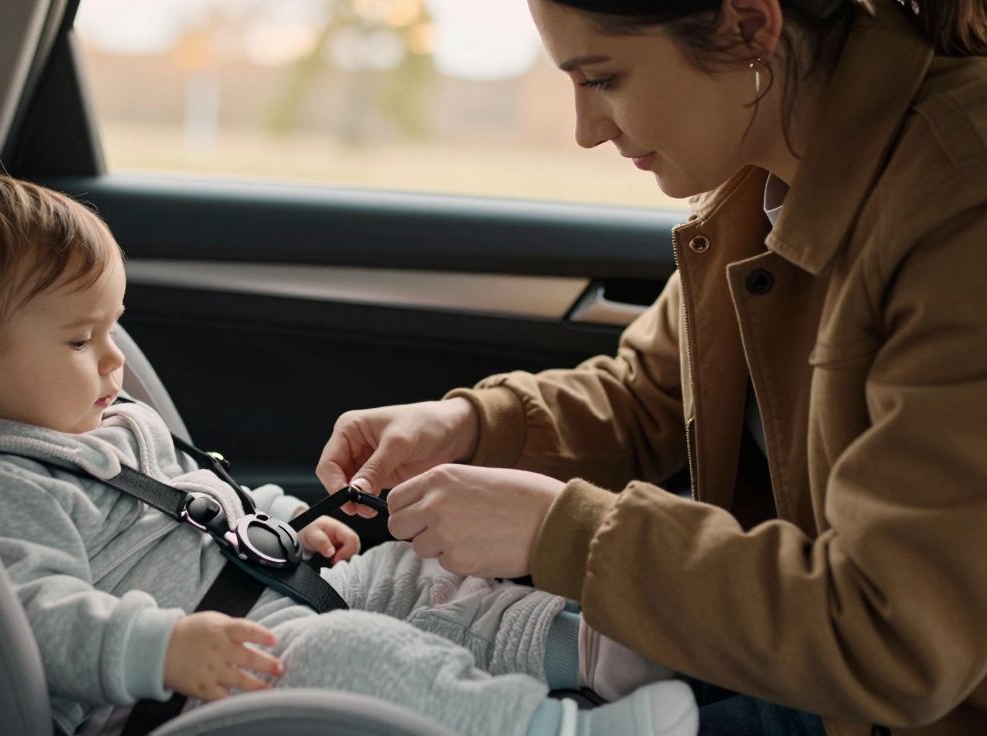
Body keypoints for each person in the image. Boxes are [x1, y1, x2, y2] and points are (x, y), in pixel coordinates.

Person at [317, 1, 987, 734]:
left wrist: (558, 531)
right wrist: (471, 424)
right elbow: (648, 392)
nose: (586, 129)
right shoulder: (762, 173)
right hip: (783, 656)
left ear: (748, 27)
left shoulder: (959, 201)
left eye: (602, 79)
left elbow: (898, 635)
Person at [0, 172, 697, 736]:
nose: (113, 359)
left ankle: (587, 647)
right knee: (359, 654)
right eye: (80, 339)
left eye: (114, 327)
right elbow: (31, 618)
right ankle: (542, 725)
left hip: (264, 595)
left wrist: (286, 524)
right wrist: (161, 646)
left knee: (417, 577)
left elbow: (205, 495)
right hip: (191, 681)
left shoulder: (106, 421)